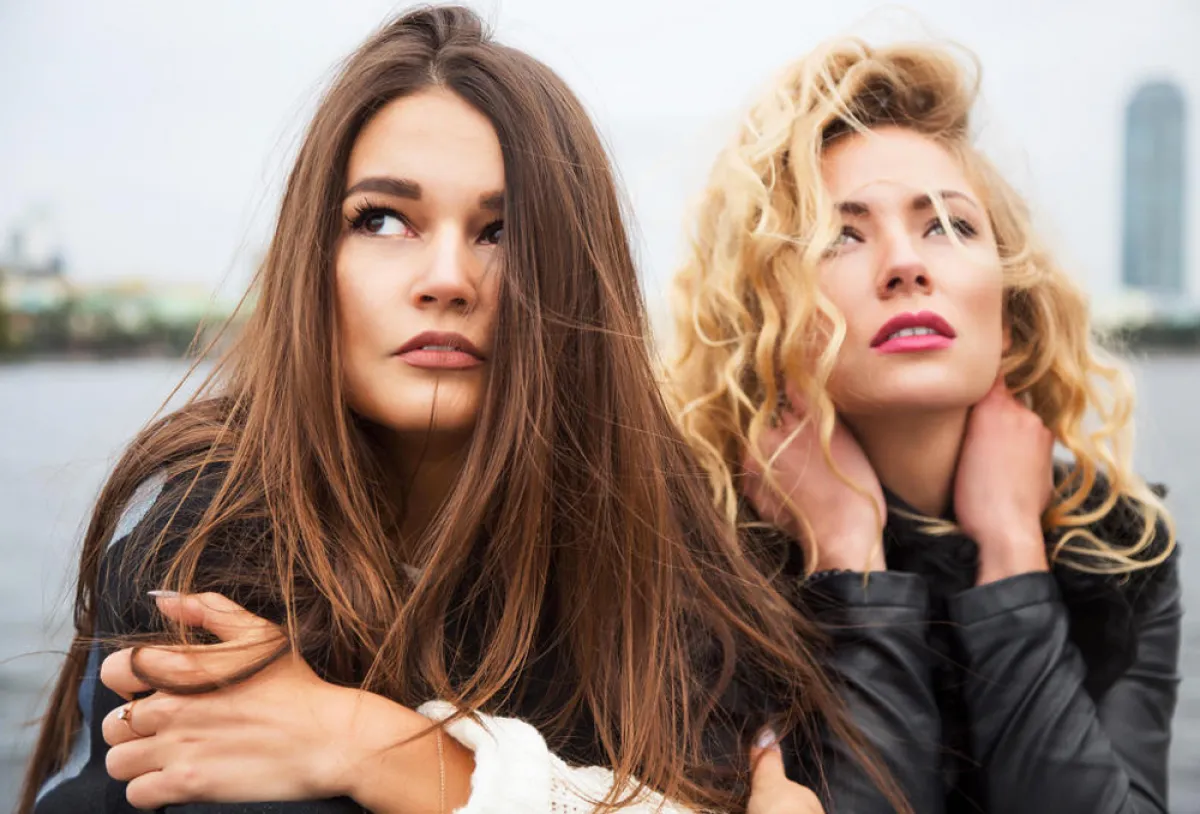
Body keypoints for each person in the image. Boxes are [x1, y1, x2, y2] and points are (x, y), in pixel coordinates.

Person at [21, 7, 893, 814]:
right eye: (382, 220)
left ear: (576, 279)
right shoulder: (210, 539)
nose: (447, 279)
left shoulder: (669, 566)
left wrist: (373, 747)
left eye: (502, 232)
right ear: (311, 260)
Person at [669, 36, 1182, 814]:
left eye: (948, 225)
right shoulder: (694, 559)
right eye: (841, 235)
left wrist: (1012, 552)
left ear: (1009, 312)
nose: (906, 264)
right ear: (767, 317)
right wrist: (849, 561)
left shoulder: (1117, 546)